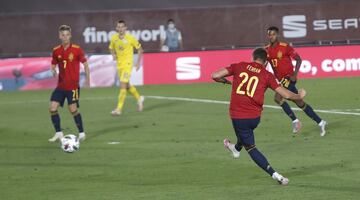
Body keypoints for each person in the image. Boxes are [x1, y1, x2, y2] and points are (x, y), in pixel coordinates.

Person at [212, 48, 306, 185]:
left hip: (238, 116)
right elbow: (285, 94)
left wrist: (224, 81)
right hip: (255, 118)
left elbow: (215, 75)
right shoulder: (267, 75)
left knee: (250, 147)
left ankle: (276, 175)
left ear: (253, 57)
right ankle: (236, 148)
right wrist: (299, 96)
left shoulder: (239, 66)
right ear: (266, 61)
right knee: (245, 133)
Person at [265, 26, 327, 136]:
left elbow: (298, 59)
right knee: (299, 102)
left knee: (278, 98)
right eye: (269, 34)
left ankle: (295, 121)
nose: (271, 36)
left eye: (273, 34)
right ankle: (320, 122)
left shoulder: (285, 47)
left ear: (277, 35)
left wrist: (294, 74)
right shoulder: (267, 50)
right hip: (280, 80)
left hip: (288, 78)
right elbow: (265, 65)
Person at [48, 25, 90, 142]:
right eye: (63, 35)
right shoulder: (56, 50)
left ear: (70, 35)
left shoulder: (77, 49)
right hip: (61, 86)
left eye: (67, 35)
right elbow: (53, 62)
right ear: (59, 36)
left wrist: (87, 80)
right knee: (52, 108)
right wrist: (52, 69)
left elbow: (85, 65)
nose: (65, 37)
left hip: (73, 87)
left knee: (73, 110)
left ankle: (81, 133)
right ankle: (58, 133)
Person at [109, 20, 145, 116]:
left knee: (122, 85)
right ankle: (139, 99)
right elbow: (111, 47)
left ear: (125, 28)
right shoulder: (114, 38)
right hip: (119, 65)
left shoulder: (130, 38)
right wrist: (113, 55)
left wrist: (138, 63)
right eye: (118, 27)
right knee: (127, 86)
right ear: (116, 28)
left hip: (128, 64)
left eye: (122, 27)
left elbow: (140, 49)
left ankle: (119, 109)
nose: (120, 29)